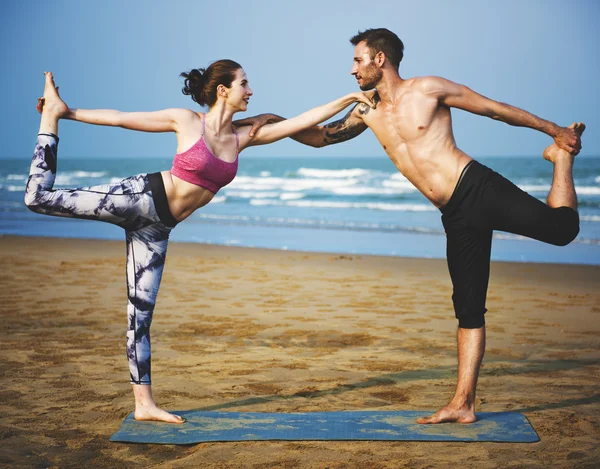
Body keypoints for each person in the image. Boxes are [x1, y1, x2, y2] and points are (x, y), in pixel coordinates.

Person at [239, 28, 585, 424]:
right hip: (454, 213)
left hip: (477, 186)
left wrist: (555, 130)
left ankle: (560, 161)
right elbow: (322, 138)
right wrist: (277, 122)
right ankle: (463, 404)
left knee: (563, 232)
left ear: (379, 59)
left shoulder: (429, 89)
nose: (352, 70)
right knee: (468, 307)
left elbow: (493, 109)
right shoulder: (366, 110)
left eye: (357, 60)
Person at [27, 63, 374, 424]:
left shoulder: (245, 137)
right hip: (141, 197)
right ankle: (49, 119)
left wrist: (348, 98)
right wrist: (67, 113)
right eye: (244, 83)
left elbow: (301, 122)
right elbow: (120, 118)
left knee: (140, 315)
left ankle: (144, 405)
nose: (250, 90)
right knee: (38, 198)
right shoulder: (187, 121)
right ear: (223, 90)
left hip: (158, 228)